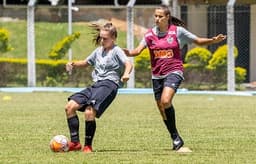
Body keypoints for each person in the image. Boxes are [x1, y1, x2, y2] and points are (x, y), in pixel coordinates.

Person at [123, 5, 226, 151]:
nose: (157, 19)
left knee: (165, 101)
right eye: (155, 16)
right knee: (162, 109)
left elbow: (198, 41)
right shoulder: (149, 34)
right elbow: (137, 51)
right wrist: (127, 52)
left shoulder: (178, 32)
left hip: (174, 71)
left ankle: (175, 137)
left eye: (160, 16)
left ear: (167, 17)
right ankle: (175, 137)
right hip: (157, 76)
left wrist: (213, 40)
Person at [65, 22, 133, 153]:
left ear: (113, 38)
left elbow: (128, 63)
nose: (102, 41)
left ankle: (87, 146)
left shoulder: (116, 50)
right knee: (70, 106)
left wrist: (125, 74)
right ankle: (75, 143)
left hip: (109, 85)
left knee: (89, 111)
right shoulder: (98, 51)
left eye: (105, 38)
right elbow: (85, 62)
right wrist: (73, 63)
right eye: (101, 38)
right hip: (96, 85)